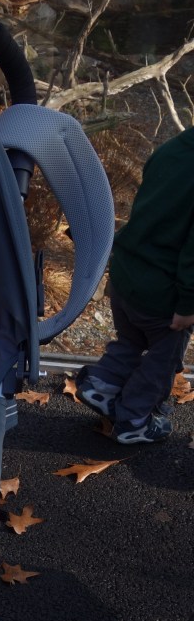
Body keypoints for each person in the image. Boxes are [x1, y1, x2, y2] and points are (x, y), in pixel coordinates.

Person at [76, 127, 194, 444]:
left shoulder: (171, 149)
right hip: (164, 294)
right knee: (162, 360)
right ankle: (133, 421)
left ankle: (102, 385)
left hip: (127, 273)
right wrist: (188, 303)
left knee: (131, 338)